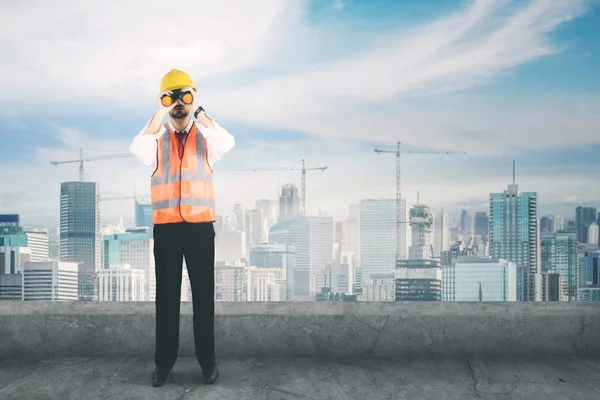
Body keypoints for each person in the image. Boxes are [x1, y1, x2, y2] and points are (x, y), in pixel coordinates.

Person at [129, 69, 235, 387]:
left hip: (201, 227)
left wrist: (198, 109)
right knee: (167, 299)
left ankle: (208, 364)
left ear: (192, 99)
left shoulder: (206, 137)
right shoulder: (156, 141)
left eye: (183, 97)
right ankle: (164, 364)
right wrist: (160, 110)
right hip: (167, 229)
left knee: (204, 299)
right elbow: (137, 147)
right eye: (172, 97)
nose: (178, 104)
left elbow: (227, 142)